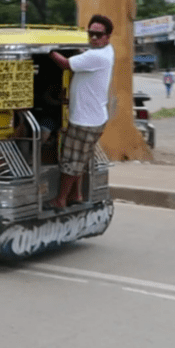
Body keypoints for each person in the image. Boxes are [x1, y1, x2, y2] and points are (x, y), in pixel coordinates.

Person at [47, 13, 115, 210]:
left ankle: (60, 199)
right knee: (81, 158)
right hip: (95, 116)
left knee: (71, 162)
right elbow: (84, 57)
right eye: (91, 33)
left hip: (85, 121)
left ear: (107, 36)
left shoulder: (96, 56)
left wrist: (49, 50)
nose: (93, 37)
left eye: (98, 35)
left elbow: (67, 64)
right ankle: (75, 194)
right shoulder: (106, 51)